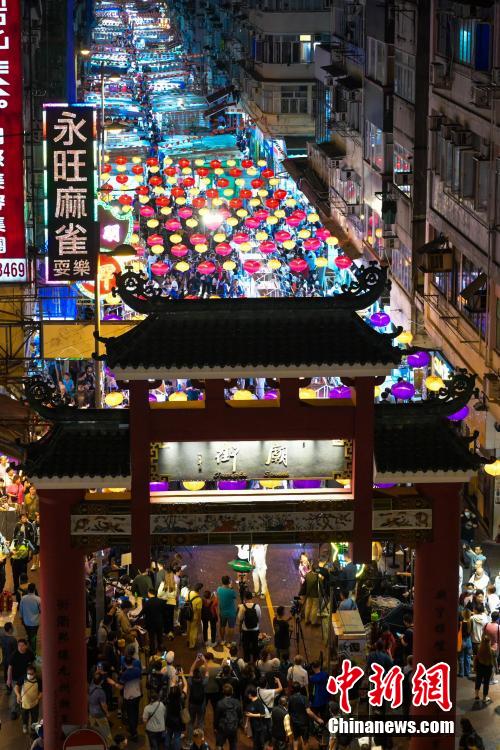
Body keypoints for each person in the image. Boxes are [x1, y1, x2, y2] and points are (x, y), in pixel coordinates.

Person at [288, 682, 324, 749]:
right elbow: (308, 712)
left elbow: (289, 712)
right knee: (305, 741)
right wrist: (318, 719)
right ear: (300, 689)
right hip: (303, 723)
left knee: (295, 739)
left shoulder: (290, 698)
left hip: (295, 723)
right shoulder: (304, 698)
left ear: (292, 689)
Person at [6, 639, 35, 719]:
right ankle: (13, 711)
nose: (20, 647)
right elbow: (10, 667)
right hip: (15, 678)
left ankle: (24, 709)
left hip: (26, 678)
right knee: (15, 695)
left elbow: (33, 664)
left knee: (25, 693)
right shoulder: (14, 655)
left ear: (26, 646)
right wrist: (9, 679)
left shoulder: (29, 653)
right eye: (19, 646)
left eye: (22, 645)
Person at [118, 646, 142, 741]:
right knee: (135, 713)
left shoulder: (125, 674)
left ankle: (134, 733)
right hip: (137, 694)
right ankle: (134, 728)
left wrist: (114, 683)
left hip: (129, 696)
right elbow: (140, 681)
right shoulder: (137, 670)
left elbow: (120, 686)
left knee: (130, 714)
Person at [15, 662, 42, 734]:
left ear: (35, 673)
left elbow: (42, 691)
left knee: (35, 717)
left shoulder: (39, 680)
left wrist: (38, 698)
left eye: (31, 674)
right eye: (28, 673)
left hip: (35, 703)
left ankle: (33, 730)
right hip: (25, 702)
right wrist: (18, 695)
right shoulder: (23, 678)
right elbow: (16, 686)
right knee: (24, 716)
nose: (29, 675)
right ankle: (25, 726)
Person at [214, 683, 242, 750]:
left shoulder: (220, 703)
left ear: (223, 692)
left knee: (219, 745)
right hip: (233, 726)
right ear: (232, 692)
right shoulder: (237, 702)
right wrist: (238, 725)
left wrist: (215, 727)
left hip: (222, 727)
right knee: (233, 744)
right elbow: (240, 715)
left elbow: (216, 717)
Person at [187, 660, 208, 745]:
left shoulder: (190, 682)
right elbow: (207, 671)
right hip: (201, 703)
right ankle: (202, 738)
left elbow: (191, 670)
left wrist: (196, 660)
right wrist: (204, 660)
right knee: (201, 720)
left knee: (191, 721)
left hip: (192, 703)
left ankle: (190, 740)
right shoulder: (203, 682)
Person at [88, 672, 113, 745]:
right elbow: (103, 705)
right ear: (101, 681)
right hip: (99, 714)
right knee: (107, 732)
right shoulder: (100, 692)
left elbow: (94, 677)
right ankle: (110, 746)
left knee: (94, 731)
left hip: (91, 713)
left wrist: (98, 672)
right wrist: (107, 713)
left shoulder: (91, 685)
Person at [237, 589, 261, 663]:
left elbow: (240, 618)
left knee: (246, 646)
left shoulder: (243, 607)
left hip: (246, 630)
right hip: (255, 629)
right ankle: (255, 661)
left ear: (245, 598)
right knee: (255, 645)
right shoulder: (257, 606)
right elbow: (259, 617)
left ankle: (247, 661)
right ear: (252, 597)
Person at [142, 588, 167, 656]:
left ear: (149, 593)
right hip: (159, 622)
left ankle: (152, 652)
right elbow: (164, 612)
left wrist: (136, 616)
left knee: (151, 638)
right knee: (159, 637)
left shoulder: (147, 602)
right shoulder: (160, 601)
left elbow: (143, 612)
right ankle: (160, 649)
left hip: (150, 624)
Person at [245, 685, 271, 750]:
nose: (247, 696)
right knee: (255, 742)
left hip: (260, 727)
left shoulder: (258, 703)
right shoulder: (251, 702)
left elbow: (263, 714)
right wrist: (246, 724)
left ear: (250, 694)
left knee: (259, 744)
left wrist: (252, 715)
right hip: (254, 726)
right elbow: (248, 713)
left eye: (248, 694)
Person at [473, 634, 496, 705]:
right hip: (488, 668)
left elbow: (475, 659)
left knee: (478, 680)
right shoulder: (492, 651)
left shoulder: (479, 649)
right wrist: (496, 668)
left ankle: (476, 695)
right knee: (486, 683)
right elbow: (494, 661)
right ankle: (484, 698)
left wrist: (475, 668)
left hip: (479, 667)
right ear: (489, 642)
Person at [164, 680, 187, 750]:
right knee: (177, 737)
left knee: (168, 735)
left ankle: (167, 748)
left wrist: (174, 684)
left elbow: (170, 689)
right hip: (178, 721)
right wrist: (182, 675)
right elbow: (186, 686)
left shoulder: (168, 699)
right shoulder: (181, 699)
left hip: (169, 720)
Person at [19, 583, 41, 654]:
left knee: (28, 634)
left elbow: (21, 610)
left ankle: (28, 647)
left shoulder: (23, 598)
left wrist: (21, 619)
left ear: (28, 589)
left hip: (26, 622)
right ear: (34, 589)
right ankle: (33, 652)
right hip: (35, 623)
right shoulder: (38, 599)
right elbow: (41, 610)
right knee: (33, 637)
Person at [157, 565, 177, 639]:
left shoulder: (163, 584)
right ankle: (171, 632)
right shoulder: (175, 585)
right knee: (171, 617)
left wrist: (163, 596)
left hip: (163, 602)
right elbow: (175, 595)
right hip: (171, 602)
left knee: (165, 617)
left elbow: (159, 594)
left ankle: (166, 631)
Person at [217, 575, 237, 646]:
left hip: (222, 612)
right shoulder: (231, 591)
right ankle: (230, 642)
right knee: (231, 627)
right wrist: (231, 587)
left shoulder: (219, 589)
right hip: (231, 612)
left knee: (222, 626)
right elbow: (235, 596)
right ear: (229, 582)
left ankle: (222, 640)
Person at [187, 582, 204, 649]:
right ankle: (192, 645)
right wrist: (199, 620)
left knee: (188, 629)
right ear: (199, 590)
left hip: (188, 614)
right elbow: (199, 611)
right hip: (194, 616)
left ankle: (188, 640)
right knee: (193, 631)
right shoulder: (199, 600)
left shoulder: (189, 593)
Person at [1, 622, 17, 688]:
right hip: (11, 660)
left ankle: (7, 685)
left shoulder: (2, 638)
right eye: (12, 627)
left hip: (4, 659)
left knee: (5, 673)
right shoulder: (13, 640)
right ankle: (10, 687)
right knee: (11, 674)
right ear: (10, 629)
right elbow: (16, 651)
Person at [458, 609, 473, 678]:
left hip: (462, 641)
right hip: (469, 641)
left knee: (461, 657)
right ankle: (467, 672)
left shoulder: (461, 623)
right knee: (468, 657)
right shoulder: (471, 622)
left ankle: (461, 673)